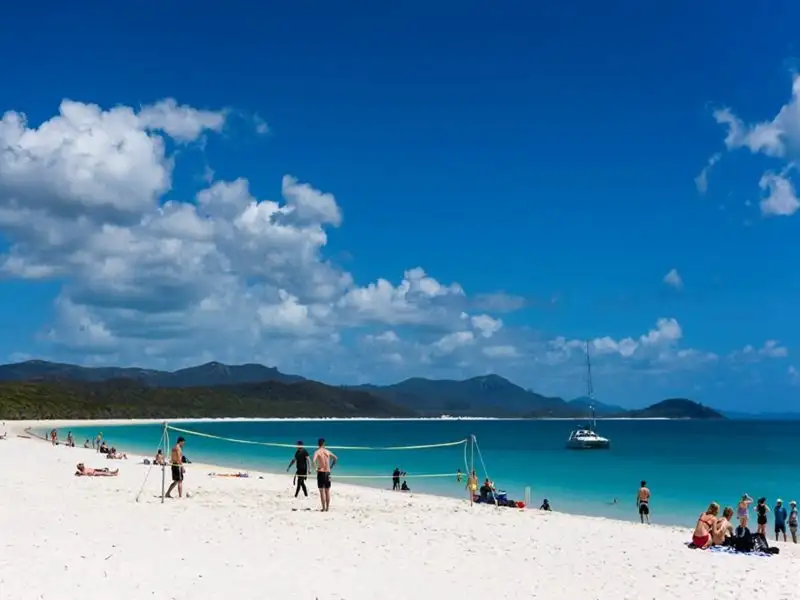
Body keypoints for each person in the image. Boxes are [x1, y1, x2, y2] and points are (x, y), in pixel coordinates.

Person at [313, 438, 337, 512]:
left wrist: (316, 468)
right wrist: (331, 466)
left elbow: (313, 461)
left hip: (321, 472)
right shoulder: (327, 451)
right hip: (328, 472)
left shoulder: (317, 452)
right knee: (327, 491)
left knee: (322, 491)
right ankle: (327, 508)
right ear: (324, 444)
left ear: (318, 444)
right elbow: (335, 458)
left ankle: (323, 508)